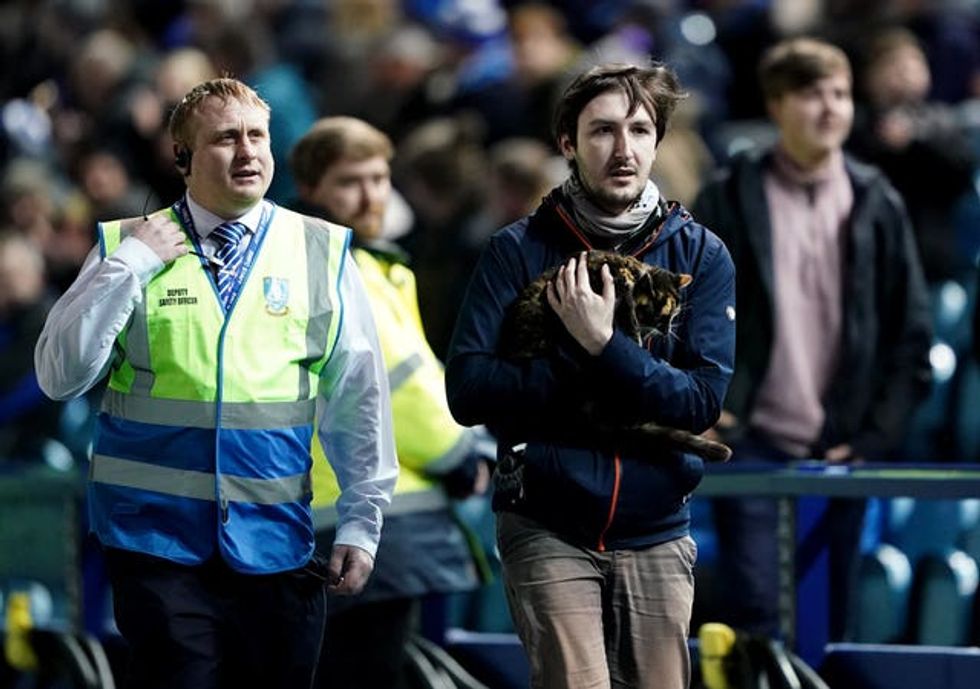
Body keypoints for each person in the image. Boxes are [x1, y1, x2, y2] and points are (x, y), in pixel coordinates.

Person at [34, 78, 398, 689]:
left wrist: (364, 520)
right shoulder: (126, 246)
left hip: (278, 543)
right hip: (155, 544)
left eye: (258, 136)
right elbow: (58, 376)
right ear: (183, 159)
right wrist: (131, 267)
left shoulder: (318, 249)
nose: (248, 151)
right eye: (226, 138)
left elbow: (357, 395)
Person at [445, 63, 737, 689]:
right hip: (546, 519)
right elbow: (468, 391)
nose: (623, 148)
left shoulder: (702, 255)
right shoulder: (516, 249)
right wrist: (579, 364)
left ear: (659, 142)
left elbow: (700, 402)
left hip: (657, 525)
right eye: (602, 130)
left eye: (639, 130)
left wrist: (605, 346)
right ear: (569, 144)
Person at [691, 38, 933, 640]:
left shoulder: (877, 201)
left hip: (840, 451)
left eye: (840, 94)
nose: (829, 108)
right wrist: (708, 407)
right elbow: (685, 312)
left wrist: (872, 435)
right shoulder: (728, 196)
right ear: (775, 106)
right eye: (810, 93)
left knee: (831, 623)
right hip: (750, 441)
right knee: (760, 619)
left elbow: (912, 336)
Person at [288, 116, 493, 689]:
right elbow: (399, 389)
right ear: (312, 191)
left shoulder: (357, 261)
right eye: (350, 181)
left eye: (380, 178)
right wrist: (460, 453)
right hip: (361, 515)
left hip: (352, 515)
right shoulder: (339, 266)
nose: (371, 195)